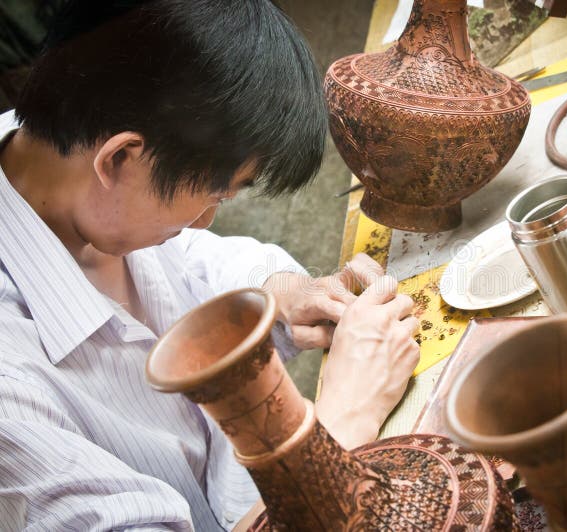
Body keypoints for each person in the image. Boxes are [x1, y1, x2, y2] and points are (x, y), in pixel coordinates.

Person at [0, 0, 420, 529]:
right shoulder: (10, 400)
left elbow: (191, 256)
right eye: (214, 195)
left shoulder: (59, 140)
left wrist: (281, 291)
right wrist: (338, 420)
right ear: (120, 158)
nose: (205, 221)